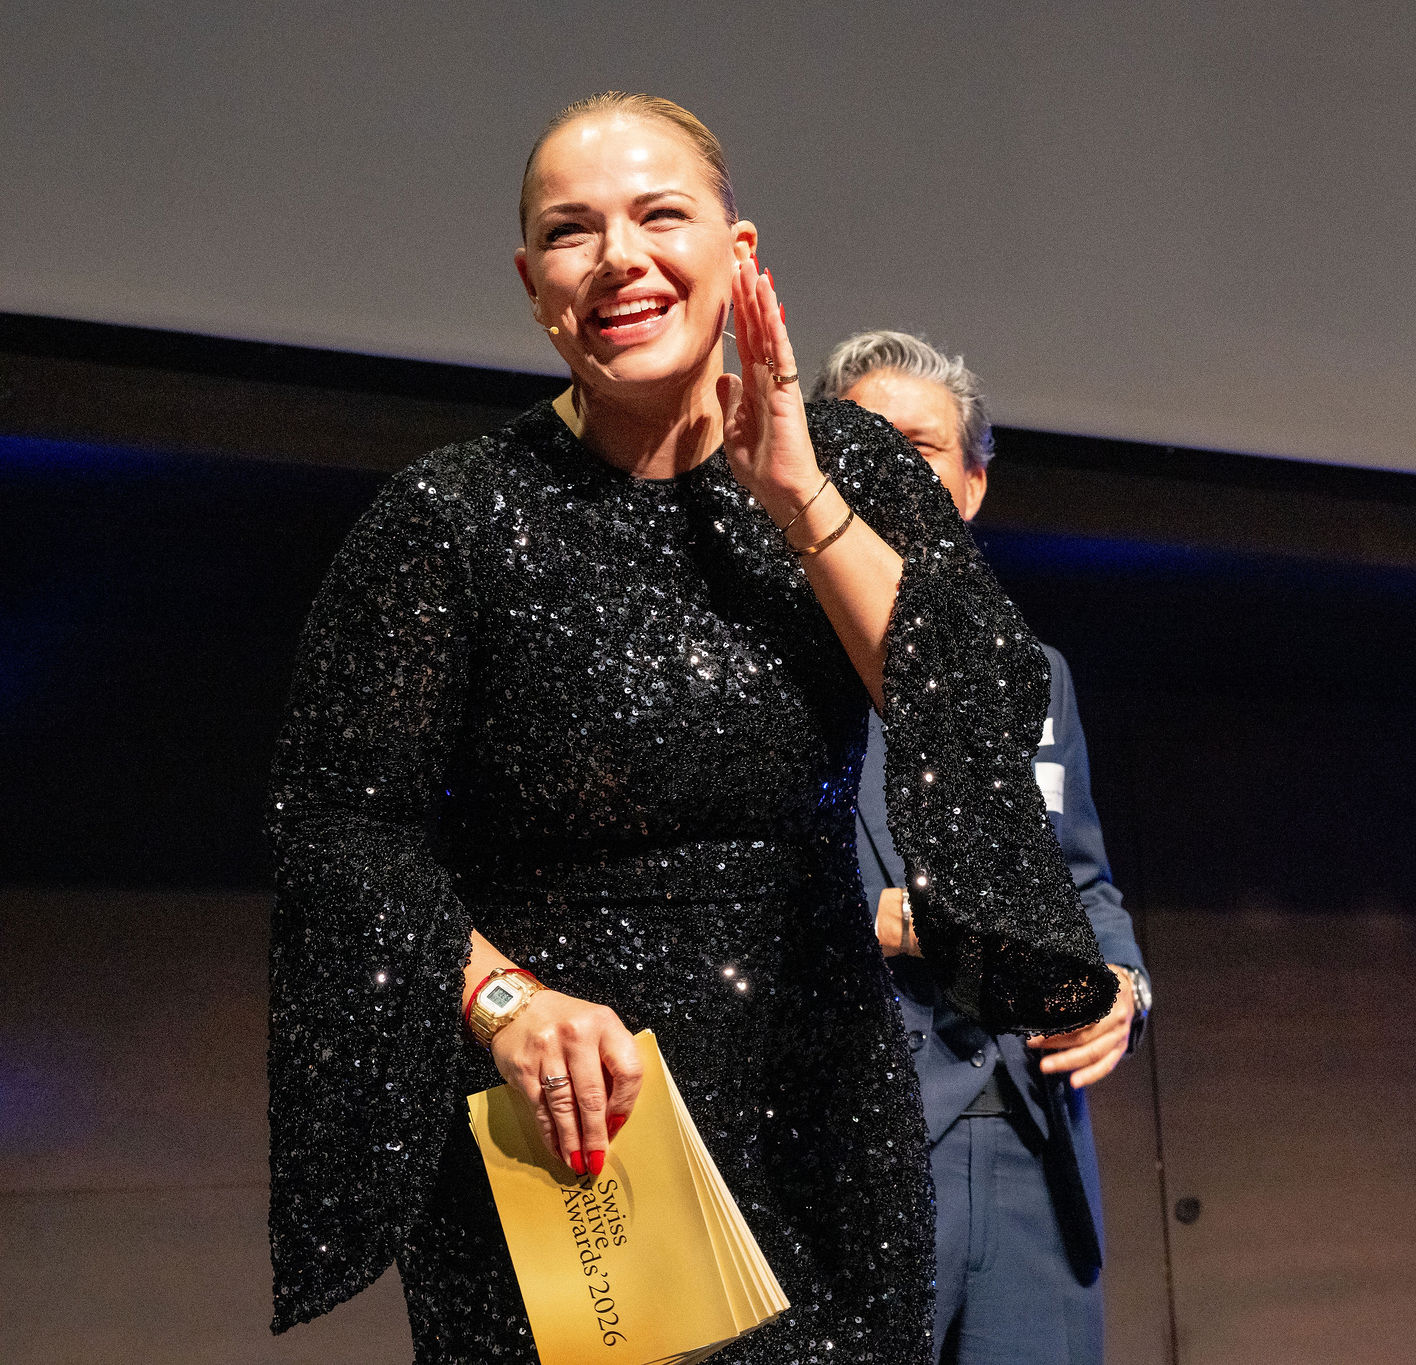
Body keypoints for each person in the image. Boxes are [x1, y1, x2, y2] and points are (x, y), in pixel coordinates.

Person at [265, 94, 1116, 1364]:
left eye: (660, 215)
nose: (620, 258)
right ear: (532, 285)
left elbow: (976, 714)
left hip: (819, 1110)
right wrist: (503, 1004)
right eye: (571, 231)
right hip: (577, 1123)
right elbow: (336, 831)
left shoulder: (850, 466)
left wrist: (800, 497)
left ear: (737, 250)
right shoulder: (446, 519)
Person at [813, 331, 1152, 1365]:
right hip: (851, 1144)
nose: (887, 466)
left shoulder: (1034, 674)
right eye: (859, 442)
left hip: (1035, 1145)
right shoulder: (767, 664)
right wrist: (876, 921)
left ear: (970, 486)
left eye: (917, 447)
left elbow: (1082, 882)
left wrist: (1123, 986)